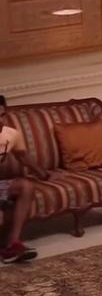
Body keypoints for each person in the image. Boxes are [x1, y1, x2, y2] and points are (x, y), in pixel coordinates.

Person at [0, 95, 48, 267]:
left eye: (2, 115)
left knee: (26, 186)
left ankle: (13, 244)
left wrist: (44, 175)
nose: (0, 121)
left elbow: (23, 156)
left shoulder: (11, 134)